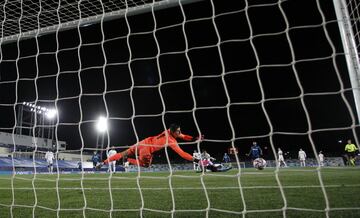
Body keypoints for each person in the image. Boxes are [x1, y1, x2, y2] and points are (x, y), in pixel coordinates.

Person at [98, 124, 203, 168]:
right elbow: (183, 154)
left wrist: (195, 138)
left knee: (122, 153)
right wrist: (196, 160)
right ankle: (129, 161)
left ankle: (103, 162)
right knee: (146, 165)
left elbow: (184, 137)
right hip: (146, 149)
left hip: (142, 142)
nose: (180, 133)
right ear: (173, 132)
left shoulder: (168, 131)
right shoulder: (171, 142)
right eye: (178, 131)